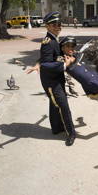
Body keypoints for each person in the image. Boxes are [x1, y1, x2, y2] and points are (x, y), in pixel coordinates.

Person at [27, 12, 76, 146]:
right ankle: (71, 133)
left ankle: (56, 128)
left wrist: (67, 55)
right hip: (51, 81)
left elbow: (46, 59)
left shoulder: (54, 39)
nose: (57, 27)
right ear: (47, 26)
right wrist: (64, 64)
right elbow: (47, 64)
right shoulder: (48, 42)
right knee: (63, 106)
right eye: (54, 25)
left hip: (56, 78)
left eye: (59, 24)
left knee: (54, 104)